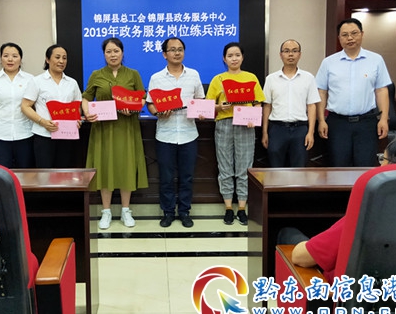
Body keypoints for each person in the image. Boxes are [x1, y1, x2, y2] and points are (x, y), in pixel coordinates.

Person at [281, 128, 396, 283]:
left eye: (383, 159)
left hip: (346, 299)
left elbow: (301, 257)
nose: (379, 164)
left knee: (287, 234)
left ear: (394, 169)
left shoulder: (374, 215)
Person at [82, 37, 148, 230]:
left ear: (122, 52)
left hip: (126, 127)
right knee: (105, 167)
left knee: (126, 166)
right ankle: (106, 211)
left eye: (116, 51)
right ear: (104, 54)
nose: (113, 55)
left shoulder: (133, 74)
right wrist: (87, 111)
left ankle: (126, 210)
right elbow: (86, 97)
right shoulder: (96, 74)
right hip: (103, 129)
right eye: (109, 51)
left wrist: (133, 107)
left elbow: (142, 97)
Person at [315, 18, 392, 167]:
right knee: (338, 166)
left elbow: (381, 90)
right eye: (344, 35)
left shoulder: (376, 60)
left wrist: (383, 119)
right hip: (338, 124)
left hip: (366, 123)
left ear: (362, 34)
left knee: (365, 165)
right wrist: (321, 120)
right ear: (339, 38)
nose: (349, 38)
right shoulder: (329, 62)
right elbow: (321, 92)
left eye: (354, 33)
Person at [147, 37, 205, 228]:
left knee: (187, 177)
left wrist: (201, 112)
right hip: (165, 135)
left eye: (180, 49)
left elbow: (200, 100)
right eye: (172, 50)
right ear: (165, 54)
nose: (177, 53)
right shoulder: (156, 78)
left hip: (189, 134)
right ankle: (168, 212)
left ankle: (185, 211)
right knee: (166, 178)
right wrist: (158, 112)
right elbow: (150, 104)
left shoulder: (194, 75)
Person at [206, 42, 265, 225]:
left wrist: (254, 117)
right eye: (230, 56)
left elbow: (258, 103)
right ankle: (228, 208)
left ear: (242, 57)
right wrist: (220, 107)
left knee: (244, 168)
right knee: (225, 168)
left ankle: (241, 208)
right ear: (224, 59)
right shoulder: (218, 79)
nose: (234, 58)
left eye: (237, 55)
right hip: (224, 124)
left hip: (245, 125)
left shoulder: (251, 77)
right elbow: (209, 106)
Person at [261, 39, 320, 167]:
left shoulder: (308, 78)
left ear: (300, 54)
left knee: (299, 169)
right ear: (280, 55)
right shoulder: (271, 79)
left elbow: (311, 106)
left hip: (300, 130)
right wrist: (265, 133)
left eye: (294, 51)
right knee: (275, 168)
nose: (291, 54)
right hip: (277, 129)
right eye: (286, 51)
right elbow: (267, 106)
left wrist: (311, 132)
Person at [21, 44, 82, 168]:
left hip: (66, 135)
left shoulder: (72, 83)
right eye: (57, 57)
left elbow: (77, 106)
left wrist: (77, 119)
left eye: (64, 58)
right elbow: (25, 106)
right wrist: (42, 122)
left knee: (63, 173)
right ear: (47, 59)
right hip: (44, 135)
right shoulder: (37, 81)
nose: (61, 61)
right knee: (45, 174)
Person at [0, 42, 34, 168]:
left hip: (25, 133)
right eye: (6, 56)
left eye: (15, 56)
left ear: (20, 59)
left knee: (26, 172)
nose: (10, 59)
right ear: (1, 58)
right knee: (3, 172)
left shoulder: (30, 79)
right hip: (0, 134)